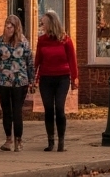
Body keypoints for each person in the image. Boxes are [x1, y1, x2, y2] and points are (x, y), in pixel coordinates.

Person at [34, 10, 78, 152]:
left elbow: (72, 60)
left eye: (44, 23)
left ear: (51, 24)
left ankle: (61, 141)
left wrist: (75, 79)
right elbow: (38, 60)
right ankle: (50, 141)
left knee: (59, 108)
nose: (42, 26)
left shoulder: (65, 40)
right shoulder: (42, 40)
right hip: (46, 77)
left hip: (62, 77)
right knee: (48, 109)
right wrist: (33, 77)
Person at [0, 14, 34, 152]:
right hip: (3, 81)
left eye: (11, 25)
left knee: (17, 111)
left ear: (16, 27)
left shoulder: (23, 42)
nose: (8, 27)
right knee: (6, 110)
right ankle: (8, 139)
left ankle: (18, 141)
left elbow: (30, 63)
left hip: (20, 81)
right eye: (6, 25)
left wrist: (32, 80)